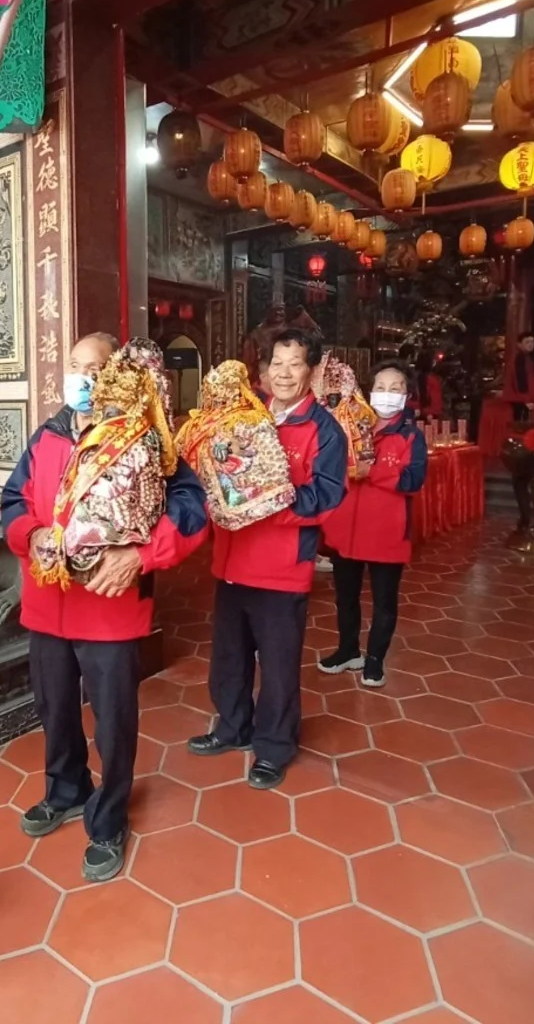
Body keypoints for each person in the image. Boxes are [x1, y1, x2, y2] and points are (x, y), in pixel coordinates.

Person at [2, 333, 208, 882]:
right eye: (75, 366)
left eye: (95, 368)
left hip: (110, 607)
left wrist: (142, 555)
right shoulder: (48, 434)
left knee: (113, 721)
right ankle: (66, 789)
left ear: (117, 373)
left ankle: (110, 815)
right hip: (48, 603)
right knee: (54, 708)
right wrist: (31, 535)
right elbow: (14, 501)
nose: (84, 378)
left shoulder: (144, 437)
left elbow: (192, 510)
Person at [188, 328, 347, 789]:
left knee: (277, 667)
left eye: (295, 363)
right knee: (229, 657)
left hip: (282, 570)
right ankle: (233, 727)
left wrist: (269, 498)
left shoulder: (323, 429)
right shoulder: (244, 415)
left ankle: (274, 746)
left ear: (311, 370)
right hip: (232, 561)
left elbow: (327, 496)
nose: (284, 373)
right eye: (277, 362)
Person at [319, 360, 427, 688]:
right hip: (346, 530)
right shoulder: (348, 426)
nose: (387, 394)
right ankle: (348, 650)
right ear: (369, 391)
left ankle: (375, 659)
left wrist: (373, 472)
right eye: (381, 387)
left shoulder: (410, 436)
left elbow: (413, 480)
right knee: (345, 597)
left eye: (396, 388)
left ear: (407, 395)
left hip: (386, 533)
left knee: (384, 602)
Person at [504, 331, 534, 422]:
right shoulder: (519, 358)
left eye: (532, 342)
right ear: (519, 344)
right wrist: (525, 400)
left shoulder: (526, 357)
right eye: (527, 342)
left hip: (522, 397)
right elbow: (520, 381)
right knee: (520, 424)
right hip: (518, 398)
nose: (531, 344)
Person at [415, 351, 444, 420]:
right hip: (428, 415)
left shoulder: (411, 377)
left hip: (413, 413)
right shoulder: (432, 379)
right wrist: (431, 412)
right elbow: (435, 399)